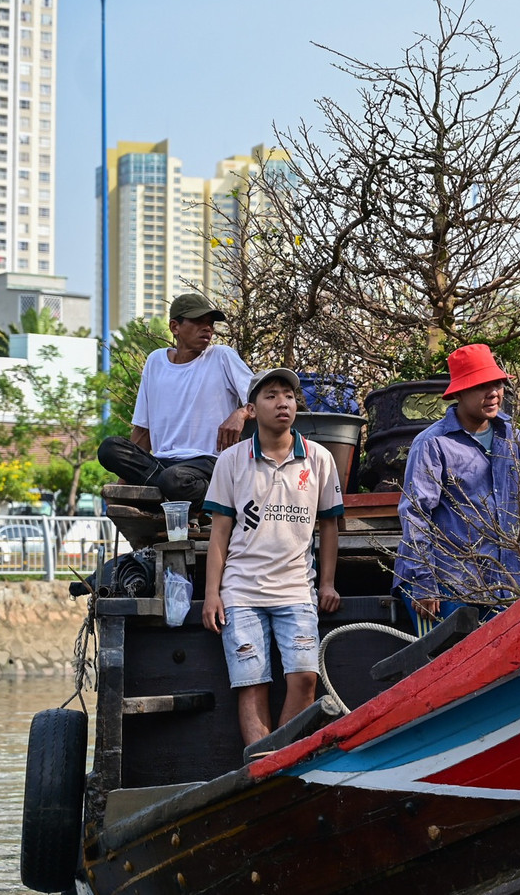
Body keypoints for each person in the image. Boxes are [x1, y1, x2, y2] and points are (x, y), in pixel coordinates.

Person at [200, 368, 344, 747]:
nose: (283, 402)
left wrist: (327, 582)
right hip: (241, 591)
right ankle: (261, 767)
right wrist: (212, 593)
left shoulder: (320, 459)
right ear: (251, 408)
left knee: (305, 678)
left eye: (289, 396)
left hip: (297, 588)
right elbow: (219, 532)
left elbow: (330, 526)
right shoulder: (230, 461)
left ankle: (280, 758)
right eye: (271, 396)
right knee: (252, 684)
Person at [394, 344, 520, 634]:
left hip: (506, 582)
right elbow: (415, 513)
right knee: (449, 669)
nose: (493, 392)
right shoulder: (433, 443)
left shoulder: (512, 438)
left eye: (496, 383)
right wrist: (423, 581)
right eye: (481, 386)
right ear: (459, 393)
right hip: (449, 583)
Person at [98, 293, 253, 507]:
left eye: (210, 323)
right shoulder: (155, 361)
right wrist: (123, 487)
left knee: (174, 479)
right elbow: (143, 431)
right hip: (162, 465)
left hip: (206, 465)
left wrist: (241, 413)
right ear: (174, 327)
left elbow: (260, 399)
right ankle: (171, 494)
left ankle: (209, 498)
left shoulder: (222, 356)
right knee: (109, 448)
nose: (208, 328)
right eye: (199, 322)